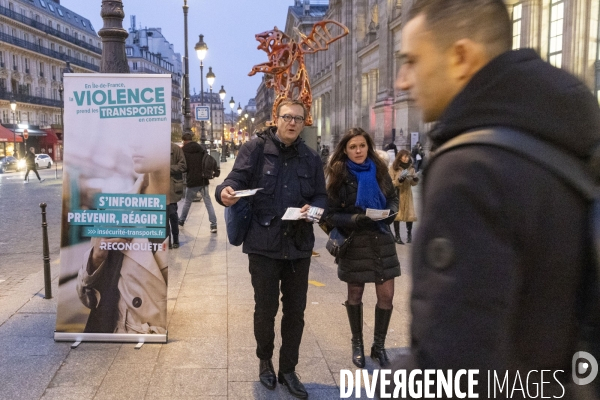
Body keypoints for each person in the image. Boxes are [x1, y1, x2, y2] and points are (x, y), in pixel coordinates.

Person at [386, 0, 600, 397]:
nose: (401, 81)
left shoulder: (471, 169)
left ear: (461, 57)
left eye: (412, 60)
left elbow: (451, 369)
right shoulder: (564, 137)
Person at [216, 99, 327, 399]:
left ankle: (288, 369)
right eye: (287, 117)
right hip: (263, 244)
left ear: (304, 123)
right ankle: (265, 360)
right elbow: (234, 179)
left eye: (298, 119)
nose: (292, 123)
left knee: (296, 312)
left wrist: (314, 208)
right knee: (265, 309)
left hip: (299, 245)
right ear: (276, 119)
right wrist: (224, 191)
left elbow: (321, 195)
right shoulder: (255, 149)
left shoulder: (311, 158)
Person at [77, 129, 170, 334]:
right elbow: (87, 297)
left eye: (145, 133)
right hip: (125, 341)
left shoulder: (186, 209)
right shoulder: (118, 207)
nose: (134, 142)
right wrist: (96, 258)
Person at [325, 128, 400, 368]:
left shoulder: (379, 170)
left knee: (386, 296)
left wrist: (389, 213)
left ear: (368, 146)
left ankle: (378, 346)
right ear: (345, 150)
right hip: (355, 241)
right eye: (353, 147)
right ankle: (357, 343)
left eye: (362, 146)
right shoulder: (338, 173)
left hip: (381, 239)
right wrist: (354, 220)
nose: (358, 151)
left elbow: (393, 197)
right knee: (355, 294)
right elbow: (330, 214)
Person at [178, 133, 219, 233]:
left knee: (187, 202)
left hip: (192, 180)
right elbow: (209, 160)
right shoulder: (201, 149)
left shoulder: (183, 151)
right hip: (203, 180)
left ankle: (181, 222)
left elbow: (184, 168)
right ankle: (213, 225)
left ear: (184, 140)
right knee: (208, 202)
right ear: (191, 139)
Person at [389, 149, 418, 244]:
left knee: (410, 215)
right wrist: (399, 180)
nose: (406, 158)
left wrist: (415, 179)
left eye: (408, 156)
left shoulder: (411, 168)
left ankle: (409, 235)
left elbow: (413, 184)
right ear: (400, 157)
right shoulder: (394, 167)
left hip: (408, 194)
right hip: (398, 193)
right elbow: (390, 182)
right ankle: (397, 236)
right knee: (397, 215)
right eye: (404, 156)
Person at [168, 142, 186, 249]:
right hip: (158, 188)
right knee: (163, 217)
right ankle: (167, 240)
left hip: (172, 187)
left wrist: (167, 168)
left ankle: (175, 238)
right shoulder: (155, 149)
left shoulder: (175, 148)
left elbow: (183, 165)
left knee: (172, 215)